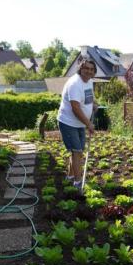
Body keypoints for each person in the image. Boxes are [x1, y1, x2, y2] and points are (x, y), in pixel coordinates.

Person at [57, 59, 97, 188]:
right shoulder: (75, 83)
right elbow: (75, 108)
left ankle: (70, 176)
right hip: (68, 123)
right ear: (80, 69)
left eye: (91, 69)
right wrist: (88, 124)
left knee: (77, 152)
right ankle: (78, 182)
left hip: (79, 124)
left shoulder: (89, 81)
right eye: (86, 68)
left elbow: (89, 97)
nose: (89, 71)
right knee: (77, 152)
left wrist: (94, 104)